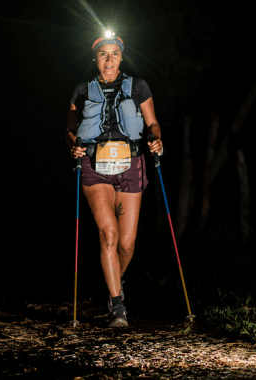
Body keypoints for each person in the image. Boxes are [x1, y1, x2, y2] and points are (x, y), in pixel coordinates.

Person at [65, 33, 163, 328]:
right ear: (94, 58)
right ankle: (118, 308)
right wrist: (73, 145)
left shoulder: (139, 86)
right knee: (108, 233)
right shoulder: (82, 90)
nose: (109, 60)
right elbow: (70, 128)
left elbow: (152, 123)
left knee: (127, 243)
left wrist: (157, 139)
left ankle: (115, 279)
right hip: (95, 166)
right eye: (103, 54)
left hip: (131, 164)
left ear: (122, 57)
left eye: (115, 54)